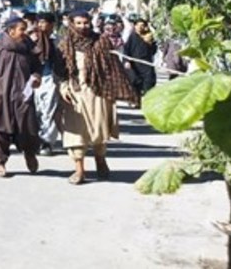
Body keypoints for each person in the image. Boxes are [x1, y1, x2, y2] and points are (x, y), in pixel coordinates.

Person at [57, 11, 138, 184]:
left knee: (98, 132)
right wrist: (63, 86)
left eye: (85, 23)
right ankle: (79, 170)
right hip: (75, 92)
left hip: (98, 91)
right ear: (71, 23)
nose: (82, 26)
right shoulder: (65, 44)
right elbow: (60, 69)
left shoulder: (101, 42)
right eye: (78, 23)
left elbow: (113, 68)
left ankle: (100, 160)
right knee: (76, 132)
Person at [0, 17, 42, 178]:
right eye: (22, 29)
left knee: (28, 126)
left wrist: (36, 77)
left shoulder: (29, 47)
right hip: (0, 92)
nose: (25, 33)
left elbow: (37, 66)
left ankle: (29, 153)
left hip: (22, 93)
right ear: (11, 31)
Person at [33, 13, 64, 155]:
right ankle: (34, 139)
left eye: (44, 22)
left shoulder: (58, 41)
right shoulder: (32, 39)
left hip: (51, 78)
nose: (40, 25)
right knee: (36, 110)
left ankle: (47, 142)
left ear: (52, 24)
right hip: (33, 79)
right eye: (38, 22)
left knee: (50, 111)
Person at [123, 17, 158, 100]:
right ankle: (136, 100)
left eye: (142, 25)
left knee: (149, 80)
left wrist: (150, 43)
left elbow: (153, 51)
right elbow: (126, 50)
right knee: (135, 81)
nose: (140, 27)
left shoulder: (148, 36)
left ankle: (148, 99)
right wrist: (126, 61)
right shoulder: (132, 36)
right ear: (135, 26)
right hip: (135, 63)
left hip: (146, 63)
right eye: (138, 25)